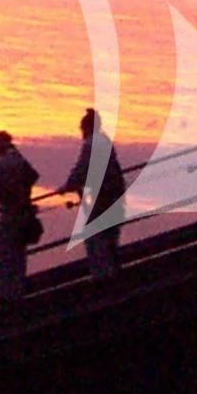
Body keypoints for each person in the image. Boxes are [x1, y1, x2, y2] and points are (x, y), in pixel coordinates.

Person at [0, 131, 42, 302]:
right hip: (25, 215)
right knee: (18, 259)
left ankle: (7, 296)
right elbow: (34, 176)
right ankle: (17, 294)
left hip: (10, 217)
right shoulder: (20, 161)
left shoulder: (1, 165)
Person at [62, 107, 126, 278]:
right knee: (110, 239)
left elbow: (81, 169)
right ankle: (113, 273)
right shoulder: (105, 142)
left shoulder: (91, 144)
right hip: (115, 196)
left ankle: (102, 276)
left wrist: (67, 186)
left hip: (102, 198)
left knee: (95, 238)